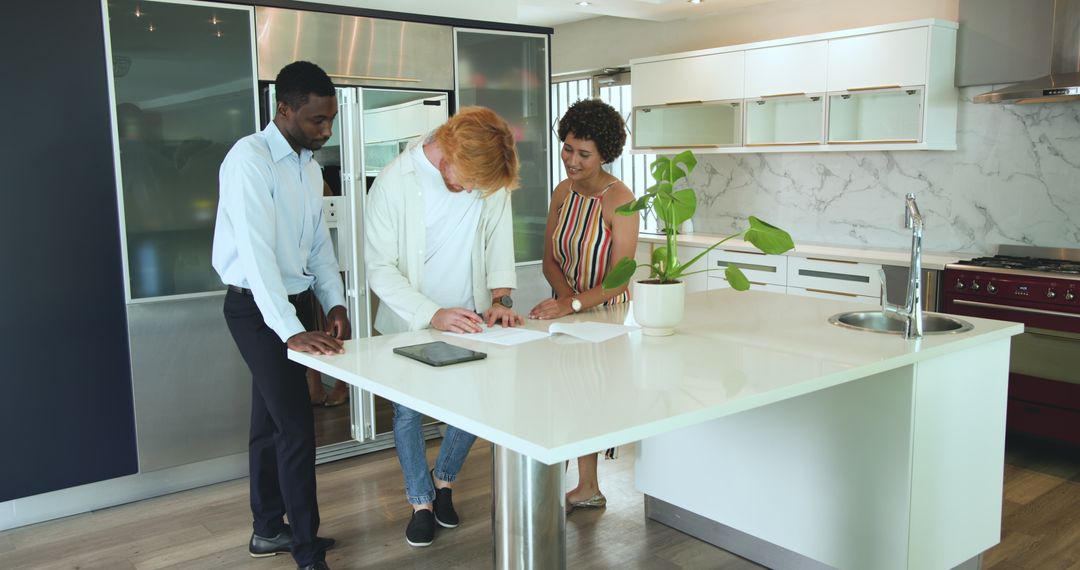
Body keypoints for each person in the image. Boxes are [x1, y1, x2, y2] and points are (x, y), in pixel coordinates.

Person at [364, 106, 523, 547]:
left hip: (470, 315)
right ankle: (421, 502)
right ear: (447, 151)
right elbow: (380, 268)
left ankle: (444, 480)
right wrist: (431, 313)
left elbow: (497, 236)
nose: (472, 189)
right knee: (407, 412)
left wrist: (500, 298)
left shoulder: (485, 169)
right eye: (468, 181)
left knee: (476, 406)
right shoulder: (395, 182)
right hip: (410, 318)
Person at [212, 60, 348, 570]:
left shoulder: (309, 169)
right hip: (253, 306)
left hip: (288, 303)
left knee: (269, 422)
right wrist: (291, 333)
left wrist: (334, 300)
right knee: (295, 428)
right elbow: (256, 255)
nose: (326, 130)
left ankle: (268, 528)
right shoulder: (248, 160)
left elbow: (316, 246)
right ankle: (307, 552)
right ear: (284, 109)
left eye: (331, 119)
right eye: (317, 120)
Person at [527, 99, 637, 512]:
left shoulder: (620, 199)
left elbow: (619, 277)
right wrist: (562, 300)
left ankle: (588, 485)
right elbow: (549, 259)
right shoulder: (562, 192)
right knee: (567, 395)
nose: (571, 160)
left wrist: (572, 304)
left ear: (604, 154)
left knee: (588, 398)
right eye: (568, 148)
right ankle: (587, 486)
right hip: (568, 310)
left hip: (607, 316)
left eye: (583, 154)